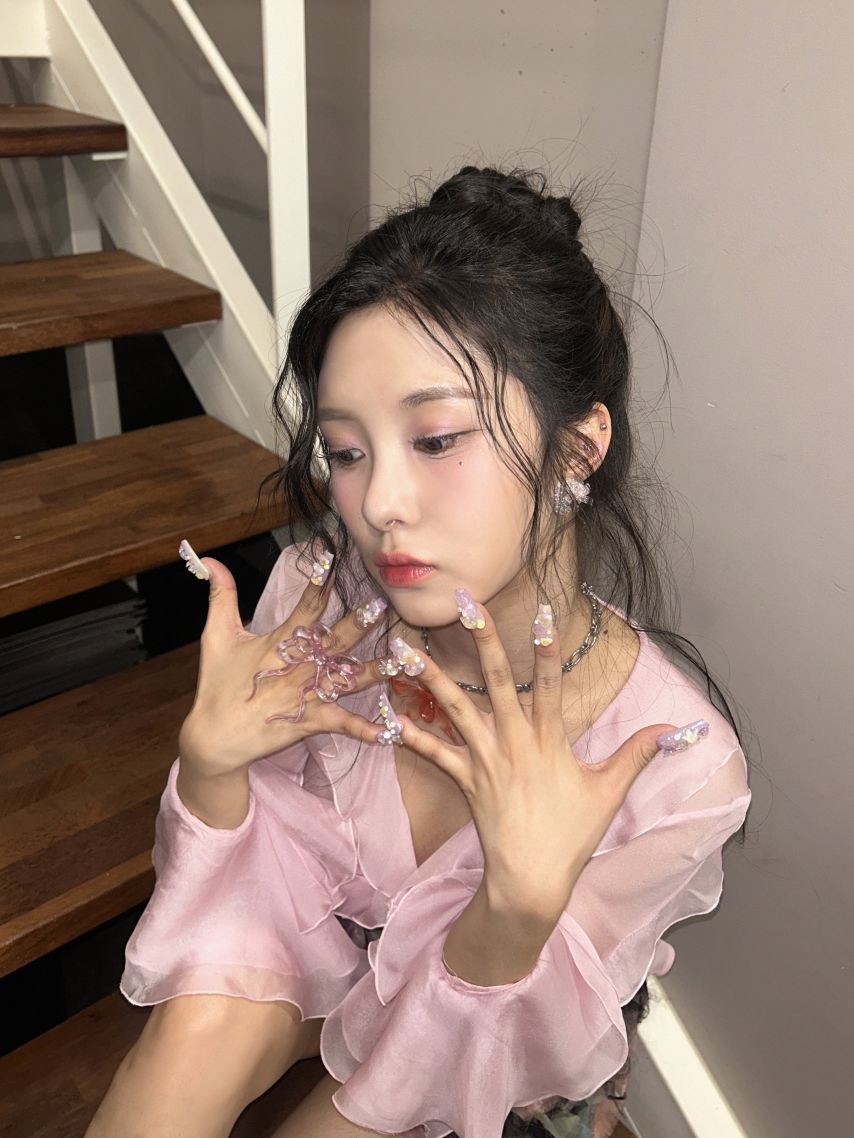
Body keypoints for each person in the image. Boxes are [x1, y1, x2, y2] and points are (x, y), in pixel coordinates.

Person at [85, 166, 752, 1138]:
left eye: (436, 439)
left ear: (576, 449)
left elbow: (445, 1061)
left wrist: (510, 921)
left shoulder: (676, 769)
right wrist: (212, 770)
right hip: (315, 948)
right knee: (196, 1031)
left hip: (470, 1036)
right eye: (346, 452)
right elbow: (256, 894)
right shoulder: (320, 604)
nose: (379, 504)